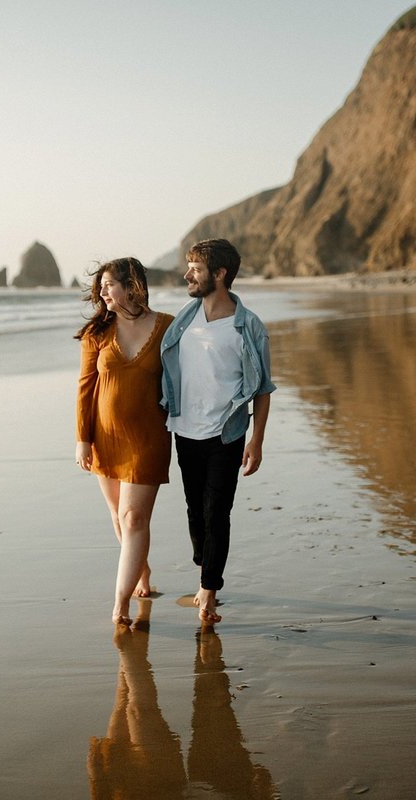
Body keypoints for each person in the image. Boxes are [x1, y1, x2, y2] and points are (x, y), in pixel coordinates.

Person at [160, 239, 275, 623]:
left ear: (220, 274)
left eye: (195, 268)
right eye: (189, 267)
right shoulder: (183, 320)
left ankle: (209, 589)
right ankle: (205, 564)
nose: (187, 274)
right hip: (184, 429)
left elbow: (262, 389)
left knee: (216, 511)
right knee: (196, 512)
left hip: (226, 433)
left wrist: (256, 441)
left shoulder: (248, 326)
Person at [75, 257, 174, 626]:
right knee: (119, 516)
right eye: (99, 287)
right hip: (105, 437)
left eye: (109, 285)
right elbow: (85, 388)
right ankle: (141, 573)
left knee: (134, 518)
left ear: (132, 285)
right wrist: (82, 439)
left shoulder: (167, 327)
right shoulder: (96, 332)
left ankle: (120, 604)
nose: (102, 292)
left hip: (149, 436)